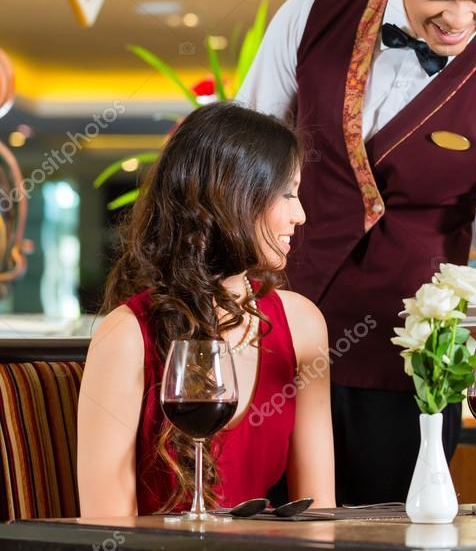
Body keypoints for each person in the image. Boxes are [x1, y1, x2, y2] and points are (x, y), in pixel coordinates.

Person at [236, 0, 476, 504]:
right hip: (269, 342)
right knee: (253, 527)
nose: (460, 19)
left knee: (383, 535)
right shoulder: (312, 13)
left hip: (403, 373)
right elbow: (244, 157)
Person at [77, 103, 335, 516]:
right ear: (231, 196)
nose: (299, 215)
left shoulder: (303, 325)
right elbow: (107, 528)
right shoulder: (126, 335)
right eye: (287, 193)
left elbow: (319, 515)